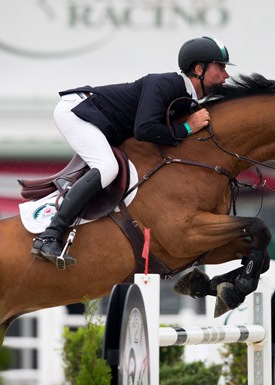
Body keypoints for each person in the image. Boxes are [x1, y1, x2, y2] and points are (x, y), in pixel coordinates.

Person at [31, 36, 234, 268]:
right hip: (77, 111)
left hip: (100, 121)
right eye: (221, 67)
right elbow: (145, 128)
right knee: (107, 168)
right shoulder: (168, 84)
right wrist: (187, 128)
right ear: (199, 69)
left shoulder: (186, 98)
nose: (226, 75)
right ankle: (50, 235)